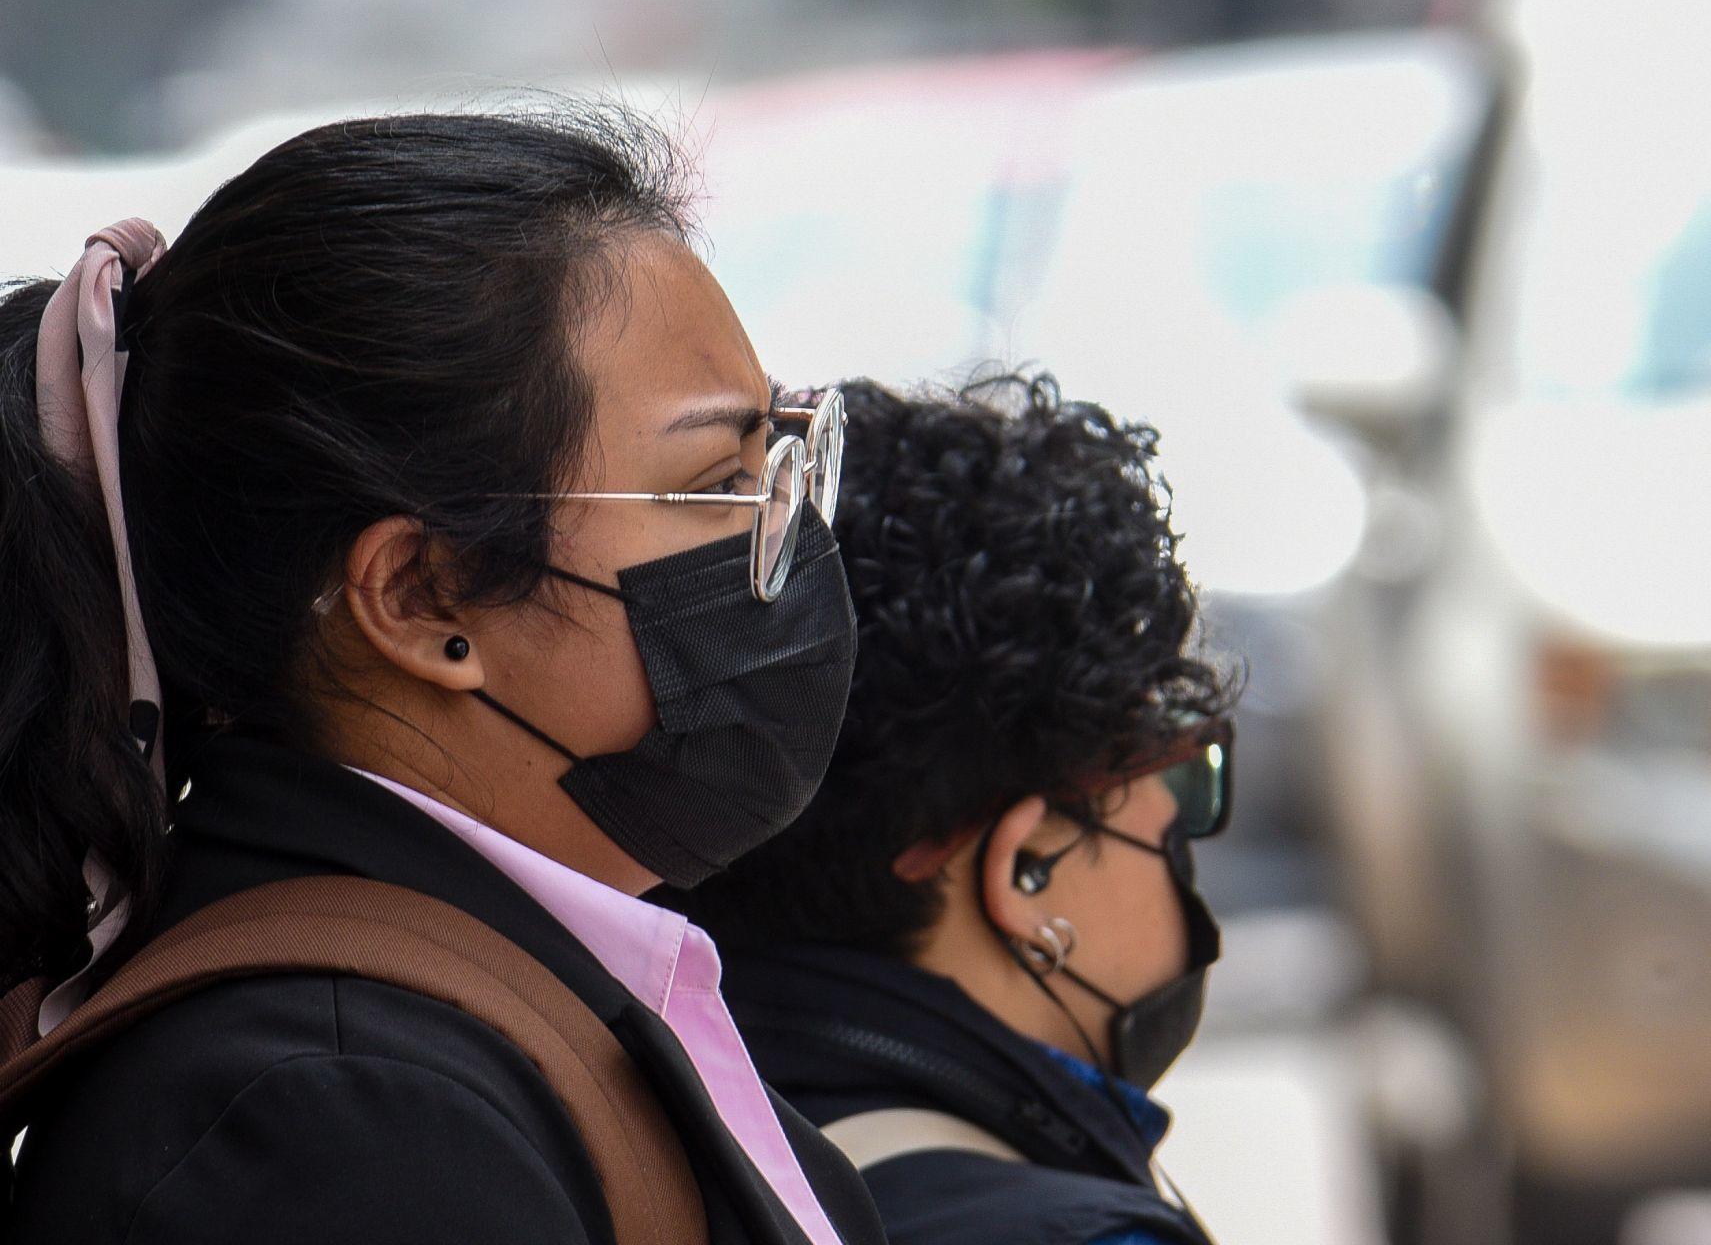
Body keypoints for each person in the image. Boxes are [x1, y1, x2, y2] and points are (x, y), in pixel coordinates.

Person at [0, 109, 885, 1245]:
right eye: (716, 484)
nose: (788, 540)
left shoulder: (469, 1011)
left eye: (785, 459)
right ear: (420, 597)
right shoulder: (332, 1118)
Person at [670, 373, 1241, 1245]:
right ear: (1024, 866)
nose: (1186, 832)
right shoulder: (1086, 1239)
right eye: (1186, 782)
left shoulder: (637, 1150)